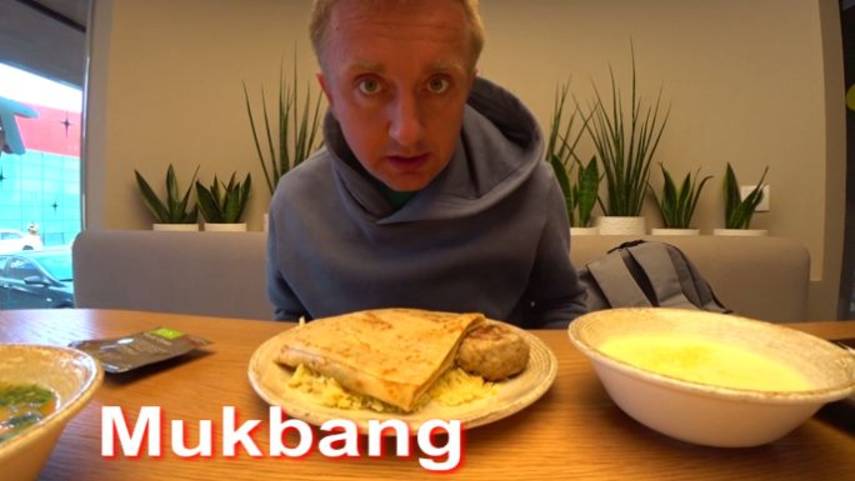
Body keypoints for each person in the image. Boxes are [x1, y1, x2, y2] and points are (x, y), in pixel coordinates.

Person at [267, 0, 586, 328]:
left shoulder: (534, 193)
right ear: (330, 94)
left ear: (467, 88)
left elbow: (562, 306)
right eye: (369, 85)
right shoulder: (294, 206)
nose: (407, 133)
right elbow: (289, 321)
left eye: (437, 84)